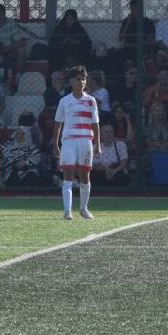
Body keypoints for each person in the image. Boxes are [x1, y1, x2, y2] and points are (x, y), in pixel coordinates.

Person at [53, 65, 101, 220]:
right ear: (71, 82)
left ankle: (83, 209)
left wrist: (98, 144)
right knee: (68, 175)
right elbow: (58, 123)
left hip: (86, 141)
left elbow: (95, 124)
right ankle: (67, 211)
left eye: (84, 79)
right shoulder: (64, 101)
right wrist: (55, 144)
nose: (81, 82)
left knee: (85, 176)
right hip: (69, 142)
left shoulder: (91, 101)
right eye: (78, 79)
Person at [0, 3, 36, 70]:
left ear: (2, 15)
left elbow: (18, 41)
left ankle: (18, 74)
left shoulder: (11, 23)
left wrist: (6, 48)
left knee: (21, 51)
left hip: (8, 49)